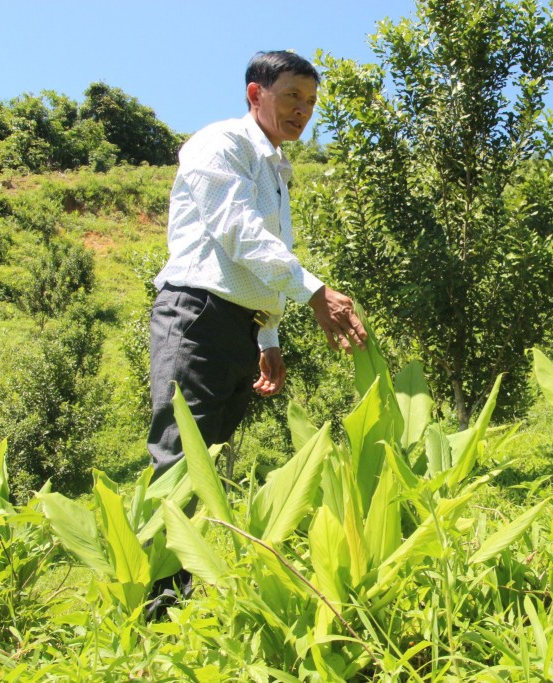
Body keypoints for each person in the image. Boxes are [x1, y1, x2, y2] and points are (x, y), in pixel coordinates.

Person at [144, 50, 366, 620]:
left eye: (311, 102)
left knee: (212, 460)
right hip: (196, 316)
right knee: (181, 458)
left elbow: (258, 265)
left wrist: (267, 342)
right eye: (292, 95)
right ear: (254, 94)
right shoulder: (221, 145)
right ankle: (158, 612)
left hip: (237, 327)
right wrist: (316, 292)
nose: (302, 111)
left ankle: (194, 602)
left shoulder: (275, 168)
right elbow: (237, 233)